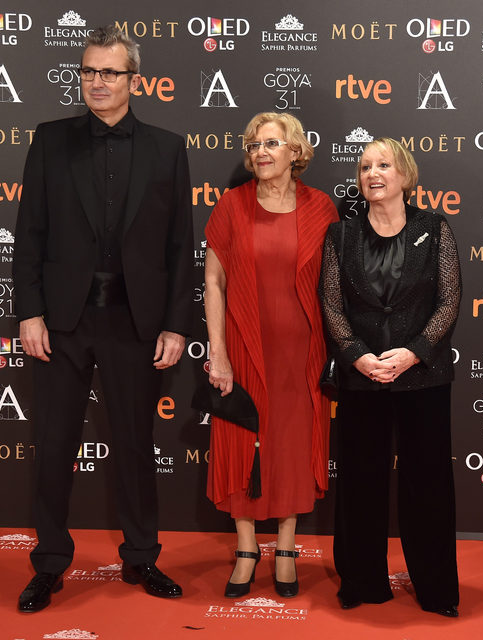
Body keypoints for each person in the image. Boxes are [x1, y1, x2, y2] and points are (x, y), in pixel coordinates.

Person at [13, 26, 193, 612]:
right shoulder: (50, 141)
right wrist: (30, 311)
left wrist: (174, 324)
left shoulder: (167, 148)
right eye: (88, 71)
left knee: (137, 446)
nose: (97, 82)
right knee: (55, 444)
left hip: (134, 323)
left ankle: (142, 556)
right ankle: (48, 564)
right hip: (63, 323)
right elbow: (30, 235)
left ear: (132, 79)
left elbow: (177, 247)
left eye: (109, 72)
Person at [318, 137, 461, 617]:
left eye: (383, 165)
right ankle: (361, 581)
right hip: (363, 378)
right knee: (361, 481)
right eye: (364, 167)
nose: (372, 173)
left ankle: (436, 588)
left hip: (423, 377)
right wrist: (357, 356)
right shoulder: (341, 235)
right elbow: (332, 305)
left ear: (405, 175)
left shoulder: (434, 228)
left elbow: (449, 301)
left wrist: (414, 352)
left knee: (429, 484)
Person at [204, 112, 337, 599]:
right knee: (242, 439)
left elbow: (334, 286)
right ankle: (244, 549)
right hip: (242, 344)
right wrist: (218, 352)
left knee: (292, 443)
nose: (260, 152)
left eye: (272, 143)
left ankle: (284, 548)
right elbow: (214, 282)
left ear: (296, 153)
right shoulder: (232, 205)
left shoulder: (321, 207)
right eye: (254, 144)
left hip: (302, 352)